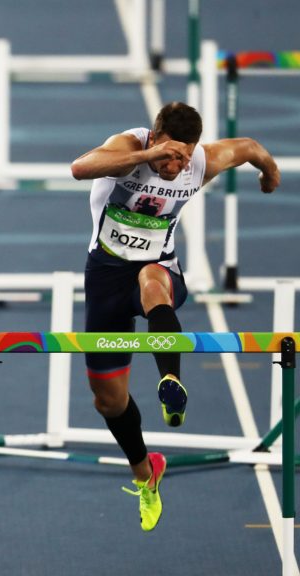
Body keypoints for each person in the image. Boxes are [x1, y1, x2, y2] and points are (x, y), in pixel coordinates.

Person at [70, 101, 280, 531]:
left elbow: (249, 147)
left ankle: (171, 380)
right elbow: (80, 168)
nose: (174, 165)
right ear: (153, 137)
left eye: (182, 157)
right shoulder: (129, 146)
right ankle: (147, 473)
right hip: (107, 276)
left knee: (151, 281)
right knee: (107, 400)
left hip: (160, 270)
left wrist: (269, 171)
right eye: (168, 154)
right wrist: (148, 156)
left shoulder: (199, 162)